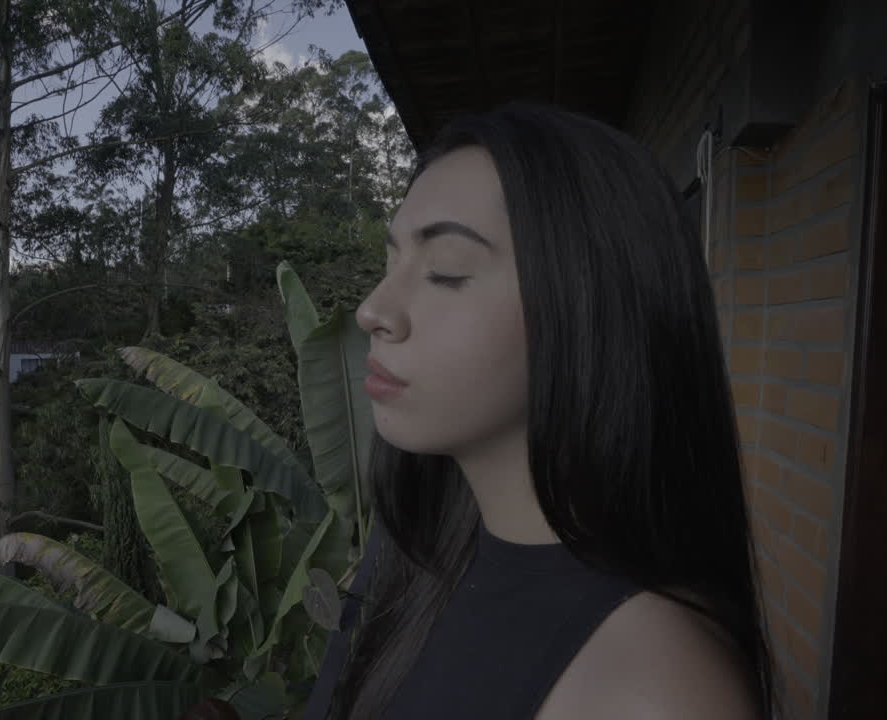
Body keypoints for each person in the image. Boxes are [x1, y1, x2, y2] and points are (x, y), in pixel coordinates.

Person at [301, 101, 775, 720]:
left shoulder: (653, 693)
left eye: (445, 271)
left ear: (590, 309)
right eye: (391, 263)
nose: (372, 311)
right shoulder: (415, 547)